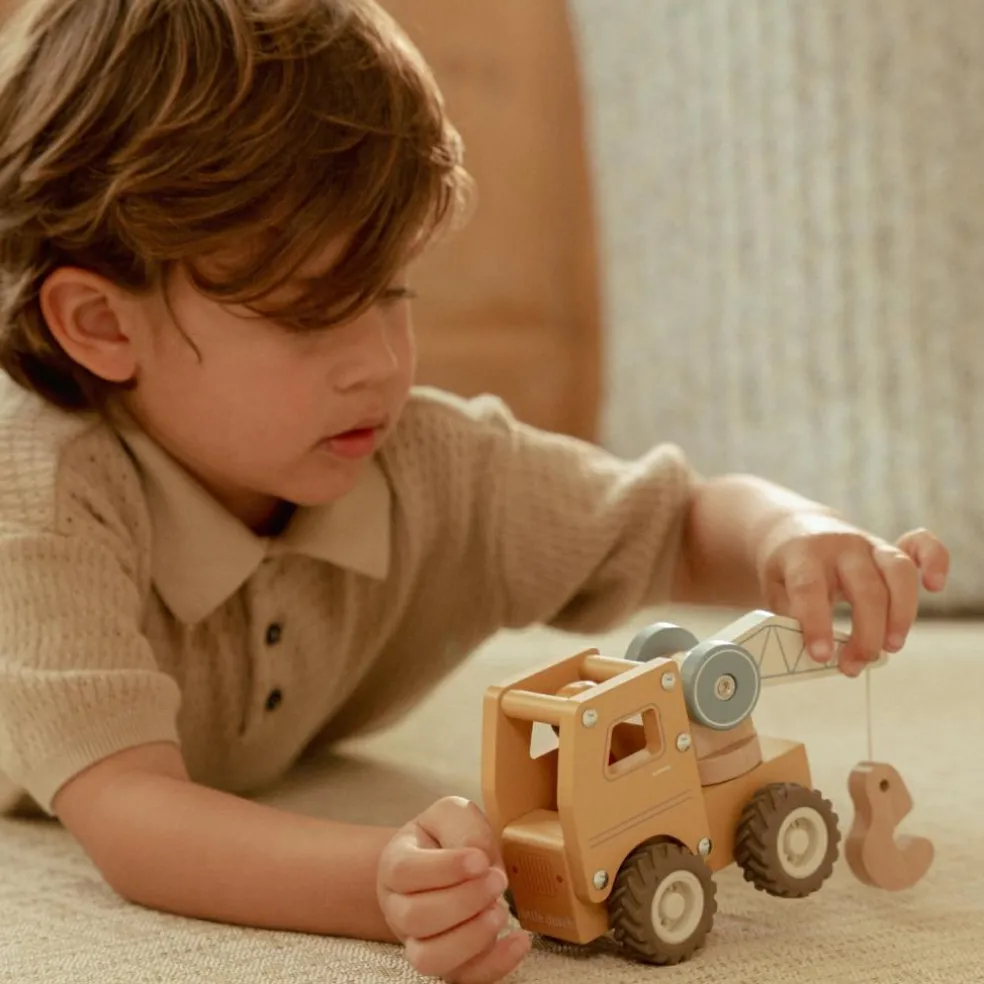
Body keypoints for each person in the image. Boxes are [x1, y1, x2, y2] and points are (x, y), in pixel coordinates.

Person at [0, 1, 949, 982]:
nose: (379, 361)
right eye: (310, 315)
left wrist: (794, 537)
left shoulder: (427, 465)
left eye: (393, 292)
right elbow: (132, 813)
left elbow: (668, 524)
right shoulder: (42, 506)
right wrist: (375, 878)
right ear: (103, 325)